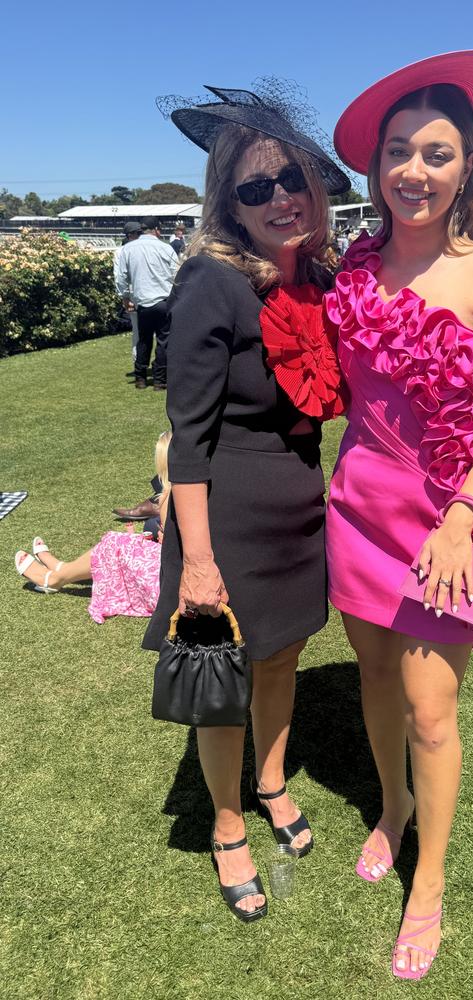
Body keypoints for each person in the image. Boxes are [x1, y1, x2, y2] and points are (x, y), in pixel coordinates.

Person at [325, 51, 473, 979]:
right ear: (376, 168)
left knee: (431, 710)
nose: (414, 170)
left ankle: (430, 882)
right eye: (398, 152)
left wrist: (460, 516)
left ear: (467, 166)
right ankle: (393, 809)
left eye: (436, 153)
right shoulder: (352, 271)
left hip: (443, 518)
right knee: (373, 678)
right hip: (355, 509)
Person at [143, 82, 350, 923]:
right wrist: (196, 560)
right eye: (255, 187)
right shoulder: (210, 283)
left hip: (299, 513)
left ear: (317, 186)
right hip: (224, 522)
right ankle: (228, 822)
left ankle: (271, 780)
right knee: (227, 674)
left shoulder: (319, 279)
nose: (279, 199)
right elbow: (188, 437)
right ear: (228, 202)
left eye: (291, 179)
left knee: (282, 657)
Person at [14, 432, 171, 618]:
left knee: (117, 544)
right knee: (134, 537)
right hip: (185, 574)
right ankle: (61, 568)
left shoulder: (173, 494)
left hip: (175, 586)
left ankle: (55, 578)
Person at [114, 216, 178, 389]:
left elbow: (121, 278)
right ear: (156, 229)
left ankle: (140, 377)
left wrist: (125, 297)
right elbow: (176, 274)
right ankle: (160, 380)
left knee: (144, 340)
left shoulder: (128, 249)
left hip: (142, 302)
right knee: (164, 341)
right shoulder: (166, 248)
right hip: (164, 300)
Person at [113, 221, 142, 363]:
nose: (141, 235)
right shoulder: (121, 252)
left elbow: (118, 277)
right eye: (139, 233)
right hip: (134, 294)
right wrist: (125, 296)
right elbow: (119, 277)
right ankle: (139, 364)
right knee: (139, 330)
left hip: (137, 293)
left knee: (139, 330)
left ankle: (141, 366)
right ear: (130, 235)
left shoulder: (121, 251)